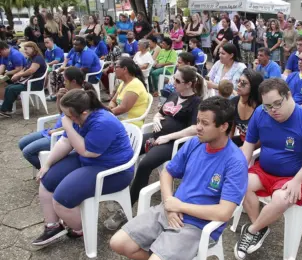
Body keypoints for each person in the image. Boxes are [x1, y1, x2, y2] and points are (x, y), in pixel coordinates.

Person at [110, 96, 248, 260]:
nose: (198, 127)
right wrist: (169, 203)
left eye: (205, 123)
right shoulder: (195, 143)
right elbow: (168, 172)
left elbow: (223, 213)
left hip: (198, 226)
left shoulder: (235, 162)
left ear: (224, 126)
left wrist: (179, 207)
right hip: (170, 210)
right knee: (117, 243)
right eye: (198, 121)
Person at [233, 78, 302, 260]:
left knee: (282, 198)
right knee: (239, 182)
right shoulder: (261, 113)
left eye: (277, 104)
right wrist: (241, 167)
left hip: (294, 175)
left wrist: (297, 180)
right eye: (268, 106)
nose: (273, 110)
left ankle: (251, 231)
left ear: (288, 96)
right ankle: (259, 226)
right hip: (264, 170)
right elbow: (249, 144)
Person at [104, 66, 204, 230]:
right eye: (174, 79)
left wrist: (168, 137)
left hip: (173, 143)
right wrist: (157, 118)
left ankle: (127, 207)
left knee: (144, 165)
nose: (174, 83)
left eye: (178, 81)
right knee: (124, 152)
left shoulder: (196, 103)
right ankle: (115, 189)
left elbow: (194, 128)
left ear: (189, 84)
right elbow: (161, 111)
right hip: (156, 136)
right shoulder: (174, 94)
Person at [31, 89, 134, 245]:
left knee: (61, 199)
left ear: (84, 112)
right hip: (90, 160)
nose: (64, 118)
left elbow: (87, 152)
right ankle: (52, 226)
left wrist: (69, 127)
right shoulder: (78, 118)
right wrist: (46, 165)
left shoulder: (103, 122)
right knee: (47, 179)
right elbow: (65, 142)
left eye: (67, 115)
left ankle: (80, 228)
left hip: (112, 171)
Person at [18, 67, 95, 170]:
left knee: (27, 152)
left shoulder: (82, 98)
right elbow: (61, 113)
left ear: (73, 81)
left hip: (60, 135)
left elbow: (79, 124)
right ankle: (47, 167)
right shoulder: (69, 93)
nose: (63, 82)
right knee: (22, 143)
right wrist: (59, 98)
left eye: (65, 80)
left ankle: (50, 172)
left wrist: (56, 130)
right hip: (52, 131)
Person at [0, 42, 47, 118]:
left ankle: (4, 110)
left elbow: (31, 70)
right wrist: (16, 75)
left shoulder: (38, 58)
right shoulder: (31, 58)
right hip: (27, 82)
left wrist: (19, 75)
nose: (25, 51)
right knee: (9, 87)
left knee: (12, 89)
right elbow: (24, 69)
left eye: (26, 49)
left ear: (33, 48)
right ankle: (7, 109)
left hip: (35, 84)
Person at [108, 58, 149, 126]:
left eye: (116, 67)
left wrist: (107, 113)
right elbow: (113, 101)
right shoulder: (124, 83)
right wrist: (110, 107)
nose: (114, 70)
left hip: (131, 123)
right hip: (121, 119)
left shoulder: (135, 85)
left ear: (124, 69)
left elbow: (123, 108)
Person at [230, 68, 263, 147]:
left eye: (243, 83)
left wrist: (242, 150)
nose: (238, 85)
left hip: (257, 146)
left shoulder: (261, 107)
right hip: (242, 141)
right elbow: (230, 132)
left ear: (253, 87)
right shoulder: (233, 102)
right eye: (239, 81)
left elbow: (262, 139)